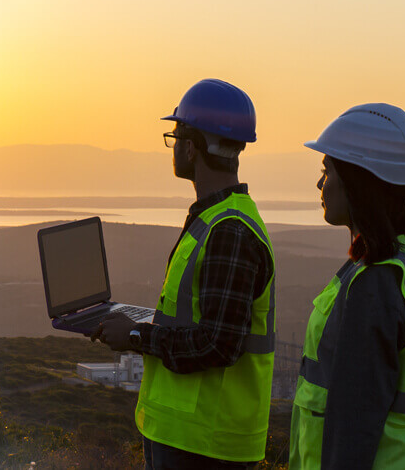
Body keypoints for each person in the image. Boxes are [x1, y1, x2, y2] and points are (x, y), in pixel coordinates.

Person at [91, 78, 277, 469]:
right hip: (186, 436)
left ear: (191, 147)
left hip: (204, 444)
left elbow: (218, 344)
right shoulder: (215, 218)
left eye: (174, 136)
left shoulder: (229, 230)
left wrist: (137, 335)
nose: (173, 145)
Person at [288, 103, 405, 469]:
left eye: (327, 170)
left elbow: (353, 428)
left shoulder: (376, 284)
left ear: (357, 180)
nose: (320, 183)